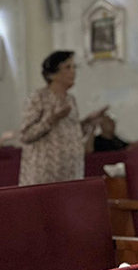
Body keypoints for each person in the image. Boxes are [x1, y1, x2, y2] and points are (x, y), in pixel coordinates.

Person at [18, 51, 108, 186]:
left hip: (71, 172)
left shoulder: (70, 99)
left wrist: (89, 121)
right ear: (52, 74)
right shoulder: (38, 97)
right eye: (67, 67)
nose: (73, 72)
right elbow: (26, 135)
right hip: (44, 175)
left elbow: (72, 132)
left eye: (74, 67)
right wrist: (52, 119)